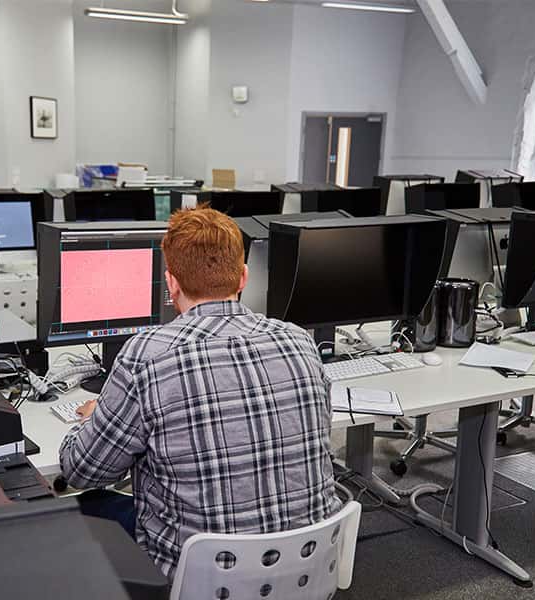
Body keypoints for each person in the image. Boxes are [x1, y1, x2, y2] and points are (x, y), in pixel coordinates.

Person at [59, 206, 341, 580]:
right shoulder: (298, 340)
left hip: (204, 580)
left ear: (170, 283)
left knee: (75, 511)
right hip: (309, 568)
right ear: (243, 277)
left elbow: (82, 471)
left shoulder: (149, 356)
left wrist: (99, 416)